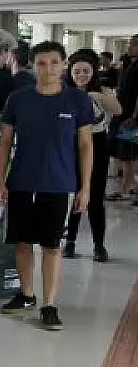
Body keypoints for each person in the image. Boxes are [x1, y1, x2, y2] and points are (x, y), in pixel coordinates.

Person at [0, 41, 94, 331]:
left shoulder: (78, 101)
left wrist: (85, 187)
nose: (48, 69)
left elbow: (86, 145)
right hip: (22, 182)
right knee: (22, 243)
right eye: (41, 63)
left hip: (59, 184)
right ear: (33, 65)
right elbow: (4, 142)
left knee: (52, 246)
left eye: (54, 63)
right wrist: (1, 180)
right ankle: (26, 295)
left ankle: (49, 304)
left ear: (63, 65)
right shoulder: (17, 99)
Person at [63, 49, 122, 261]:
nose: (81, 75)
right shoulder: (63, 91)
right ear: (70, 72)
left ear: (93, 72)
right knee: (74, 193)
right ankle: (69, 242)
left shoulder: (103, 90)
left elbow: (117, 110)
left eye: (86, 71)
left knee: (95, 196)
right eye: (76, 71)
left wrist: (97, 96)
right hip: (69, 144)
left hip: (97, 143)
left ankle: (99, 245)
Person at [110, 35, 138, 203]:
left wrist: (134, 117)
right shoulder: (132, 65)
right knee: (124, 153)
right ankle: (129, 185)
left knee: (127, 154)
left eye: (134, 45)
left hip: (130, 118)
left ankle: (126, 189)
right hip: (124, 114)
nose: (130, 48)